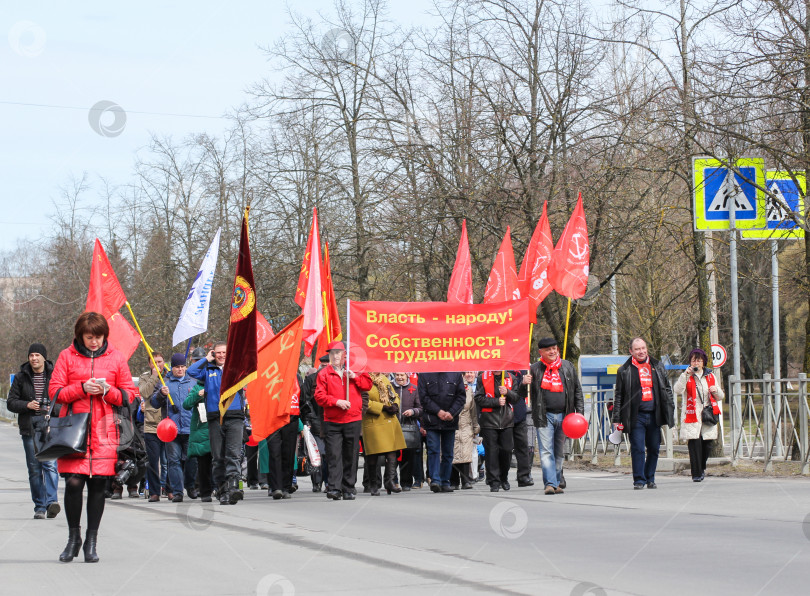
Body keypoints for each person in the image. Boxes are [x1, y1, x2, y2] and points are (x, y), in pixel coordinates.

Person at [49, 311, 136, 563]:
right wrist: (81, 388)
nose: (94, 342)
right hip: (73, 431)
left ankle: (91, 541)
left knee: (98, 485)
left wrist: (108, 391)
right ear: (80, 336)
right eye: (89, 337)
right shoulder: (67, 356)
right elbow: (55, 392)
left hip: (104, 431)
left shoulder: (116, 358)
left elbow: (129, 396)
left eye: (98, 337)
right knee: (73, 483)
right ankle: (73, 538)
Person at [187, 342, 247, 505]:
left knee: (233, 455)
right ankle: (222, 490)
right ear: (214, 353)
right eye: (218, 352)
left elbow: (250, 363)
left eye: (224, 352)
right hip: (215, 417)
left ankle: (233, 488)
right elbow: (191, 371)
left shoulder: (236, 370)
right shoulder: (208, 370)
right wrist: (206, 358)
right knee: (218, 457)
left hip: (235, 417)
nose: (221, 355)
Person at [612, 337, 675, 490]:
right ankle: (639, 480)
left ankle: (650, 478)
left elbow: (667, 389)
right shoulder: (624, 370)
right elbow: (619, 395)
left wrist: (670, 407)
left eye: (643, 348)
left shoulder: (657, 366)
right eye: (637, 349)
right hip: (635, 416)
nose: (641, 351)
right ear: (631, 351)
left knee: (654, 448)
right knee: (638, 448)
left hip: (655, 414)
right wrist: (616, 418)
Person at [7, 343, 60, 519]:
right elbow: (11, 402)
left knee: (51, 465)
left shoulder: (54, 375)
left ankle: (52, 502)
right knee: (35, 468)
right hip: (29, 427)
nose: (34, 358)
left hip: (49, 427)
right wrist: (27, 405)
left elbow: (62, 400)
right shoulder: (21, 377)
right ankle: (40, 506)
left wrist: (53, 413)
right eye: (31, 355)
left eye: (37, 355)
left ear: (44, 357)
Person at [314, 341, 373, 500]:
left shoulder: (355, 368)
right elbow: (319, 396)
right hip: (332, 420)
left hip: (352, 419)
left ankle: (348, 488)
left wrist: (355, 377)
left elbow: (368, 384)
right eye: (332, 353)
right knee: (334, 455)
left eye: (338, 352)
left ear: (344, 354)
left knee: (351, 455)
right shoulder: (323, 374)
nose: (334, 356)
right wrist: (336, 402)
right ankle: (334, 488)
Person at [529, 338, 584, 495]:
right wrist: (522, 383)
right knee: (546, 451)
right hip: (543, 416)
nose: (552, 352)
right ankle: (550, 484)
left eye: (554, 348)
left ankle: (557, 481)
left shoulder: (567, 366)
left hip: (565, 417)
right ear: (541, 352)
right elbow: (521, 394)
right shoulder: (534, 369)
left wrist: (579, 413)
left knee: (559, 452)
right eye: (548, 350)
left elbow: (577, 390)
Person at [151, 353, 196, 502]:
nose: (180, 369)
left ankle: (190, 486)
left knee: (191, 460)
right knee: (174, 461)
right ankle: (177, 491)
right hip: (171, 430)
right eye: (177, 367)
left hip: (190, 427)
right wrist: (161, 395)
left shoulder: (193, 382)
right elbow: (154, 403)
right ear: (173, 368)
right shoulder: (164, 383)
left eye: (183, 366)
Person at [673, 348, 724, 482]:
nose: (696, 363)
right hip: (692, 414)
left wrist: (715, 390)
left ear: (703, 362)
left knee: (707, 445)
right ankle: (696, 473)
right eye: (694, 360)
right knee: (694, 444)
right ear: (690, 362)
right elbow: (677, 390)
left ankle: (701, 467)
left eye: (699, 360)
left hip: (707, 414)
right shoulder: (686, 375)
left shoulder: (710, 376)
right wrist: (685, 375)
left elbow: (720, 396)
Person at [418, 371, 467, 493]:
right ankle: (435, 480)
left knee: (448, 453)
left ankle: (445, 481)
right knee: (433, 450)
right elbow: (424, 398)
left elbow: (461, 397)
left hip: (450, 420)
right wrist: (438, 411)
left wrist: (451, 412)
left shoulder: (455, 374)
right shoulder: (424, 374)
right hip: (432, 419)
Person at [474, 370, 519, 492]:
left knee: (507, 450)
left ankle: (503, 477)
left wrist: (507, 392)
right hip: (489, 421)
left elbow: (516, 398)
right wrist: (495, 401)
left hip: (507, 420)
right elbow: (478, 398)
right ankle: (494, 481)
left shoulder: (511, 377)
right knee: (491, 453)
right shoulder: (482, 377)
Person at [363, 373, 407, 495]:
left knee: (392, 452)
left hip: (389, 420)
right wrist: (383, 407)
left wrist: (395, 404)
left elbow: (394, 395)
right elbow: (364, 401)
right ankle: (373, 484)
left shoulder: (384, 379)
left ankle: (390, 482)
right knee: (373, 455)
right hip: (373, 420)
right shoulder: (363, 380)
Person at [183, 347, 212, 501]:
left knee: (216, 461)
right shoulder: (197, 386)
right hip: (201, 429)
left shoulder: (216, 382)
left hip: (214, 428)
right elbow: (186, 404)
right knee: (202, 462)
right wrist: (198, 395)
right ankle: (201, 488)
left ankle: (217, 488)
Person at [140, 353, 168, 501]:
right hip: (151, 424)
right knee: (153, 460)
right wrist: (154, 376)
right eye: (155, 362)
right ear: (150, 364)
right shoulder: (145, 377)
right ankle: (154, 491)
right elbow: (144, 392)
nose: (158, 364)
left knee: (169, 460)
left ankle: (169, 489)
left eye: (160, 361)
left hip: (167, 424)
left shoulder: (169, 375)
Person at [300, 354, 329, 492]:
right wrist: (308, 419)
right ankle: (317, 482)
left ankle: (330, 482)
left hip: (332, 420)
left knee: (330, 454)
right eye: (323, 365)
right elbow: (305, 401)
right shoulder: (311, 379)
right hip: (316, 420)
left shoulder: (337, 379)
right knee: (318, 454)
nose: (325, 368)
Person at [391, 372, 422, 491]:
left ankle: (406, 482)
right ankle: (393, 481)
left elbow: (421, 408)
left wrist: (413, 412)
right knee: (392, 455)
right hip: (392, 426)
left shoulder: (414, 389)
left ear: (407, 376)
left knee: (408, 456)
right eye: (397, 375)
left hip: (408, 427)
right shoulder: (389, 387)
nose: (399, 377)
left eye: (402, 375)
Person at [450, 371, 479, 490]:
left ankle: (466, 480)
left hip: (466, 424)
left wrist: (475, 425)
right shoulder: (449, 389)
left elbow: (473, 410)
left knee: (466, 453)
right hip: (451, 424)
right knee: (453, 453)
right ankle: (453, 481)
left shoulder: (468, 391)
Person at [512, 369, 535, 487]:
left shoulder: (524, 371)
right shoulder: (502, 371)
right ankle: (498, 477)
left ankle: (524, 476)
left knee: (522, 447)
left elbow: (525, 393)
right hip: (502, 415)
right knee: (503, 449)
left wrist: (525, 383)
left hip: (519, 414)